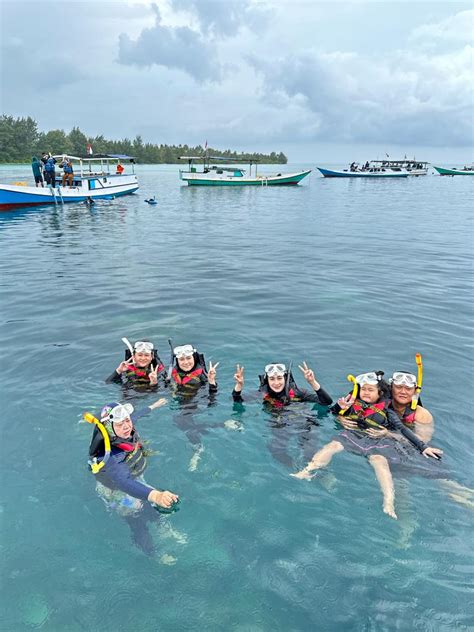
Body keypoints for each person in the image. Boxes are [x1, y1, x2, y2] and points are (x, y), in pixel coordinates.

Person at [291, 372, 442, 519]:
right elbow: (332, 411)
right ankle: (307, 470)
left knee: (378, 460)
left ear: (380, 393)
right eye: (363, 389)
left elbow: (402, 429)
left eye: (371, 390)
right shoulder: (354, 401)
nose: (366, 393)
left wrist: (423, 447)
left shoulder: (398, 411)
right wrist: (340, 414)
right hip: (355, 435)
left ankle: (388, 500)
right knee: (332, 445)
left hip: (381, 442)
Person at [87, 399, 179, 556]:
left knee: (150, 507)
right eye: (119, 424)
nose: (126, 426)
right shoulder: (111, 455)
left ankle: (163, 528)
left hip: (133, 478)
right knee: (136, 518)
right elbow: (123, 482)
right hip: (115, 490)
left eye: (126, 421)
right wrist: (155, 495)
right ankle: (153, 554)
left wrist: (153, 405)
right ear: (109, 427)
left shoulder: (125, 428)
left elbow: (136, 415)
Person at [232, 362, 333, 468]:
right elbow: (237, 401)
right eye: (272, 379)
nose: (276, 383)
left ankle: (321, 475)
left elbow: (326, 401)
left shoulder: (298, 392)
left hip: (305, 425)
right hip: (282, 427)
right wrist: (239, 385)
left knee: (309, 455)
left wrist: (312, 382)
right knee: (275, 450)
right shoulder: (263, 395)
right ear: (267, 380)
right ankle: (295, 471)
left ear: (285, 378)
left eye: (279, 378)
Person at [169, 343, 219, 467]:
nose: (186, 362)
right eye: (182, 359)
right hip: (183, 405)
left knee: (185, 425)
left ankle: (198, 449)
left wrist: (212, 382)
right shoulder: (173, 374)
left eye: (188, 358)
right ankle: (223, 425)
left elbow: (211, 398)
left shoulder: (202, 376)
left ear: (194, 358)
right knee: (182, 422)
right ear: (177, 361)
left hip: (197, 404)